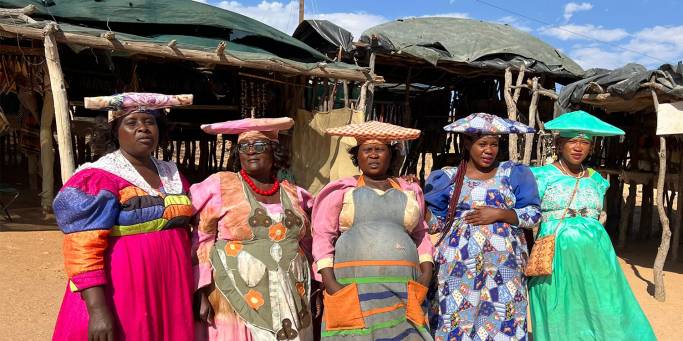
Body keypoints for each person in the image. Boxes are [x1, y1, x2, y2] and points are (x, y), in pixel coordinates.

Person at [52, 93, 195, 341]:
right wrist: (97, 310)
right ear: (114, 131)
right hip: (124, 291)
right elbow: (82, 247)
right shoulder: (98, 178)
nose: (143, 128)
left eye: (150, 122)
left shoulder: (172, 174)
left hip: (172, 288)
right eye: (132, 123)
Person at [528, 110, 655, 341]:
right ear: (559, 144)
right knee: (559, 307)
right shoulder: (540, 176)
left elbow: (600, 216)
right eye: (572, 142)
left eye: (584, 143)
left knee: (605, 305)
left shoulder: (597, 180)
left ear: (591, 147)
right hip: (556, 258)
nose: (578, 147)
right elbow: (526, 217)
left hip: (596, 257)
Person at [191, 117, 315, 341]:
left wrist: (315, 284)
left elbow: (307, 244)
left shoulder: (294, 194)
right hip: (234, 295)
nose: (251, 152)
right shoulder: (221, 185)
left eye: (259, 146)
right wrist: (201, 289)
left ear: (274, 152)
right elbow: (202, 238)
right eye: (244, 147)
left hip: (291, 294)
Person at [312, 121, 435, 340]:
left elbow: (420, 235)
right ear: (357, 157)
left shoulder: (409, 190)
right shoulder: (341, 190)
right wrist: (330, 283)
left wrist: (426, 273)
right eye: (367, 150)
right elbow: (323, 237)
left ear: (391, 155)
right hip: (353, 288)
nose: (373, 155)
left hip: (404, 288)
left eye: (380, 150)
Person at [423, 113, 541, 341]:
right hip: (457, 267)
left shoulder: (514, 173)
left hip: (504, 268)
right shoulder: (449, 177)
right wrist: (420, 205)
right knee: (456, 318)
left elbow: (534, 214)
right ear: (467, 144)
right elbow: (437, 224)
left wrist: (500, 214)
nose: (489, 150)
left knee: (504, 319)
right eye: (482, 144)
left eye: (494, 144)